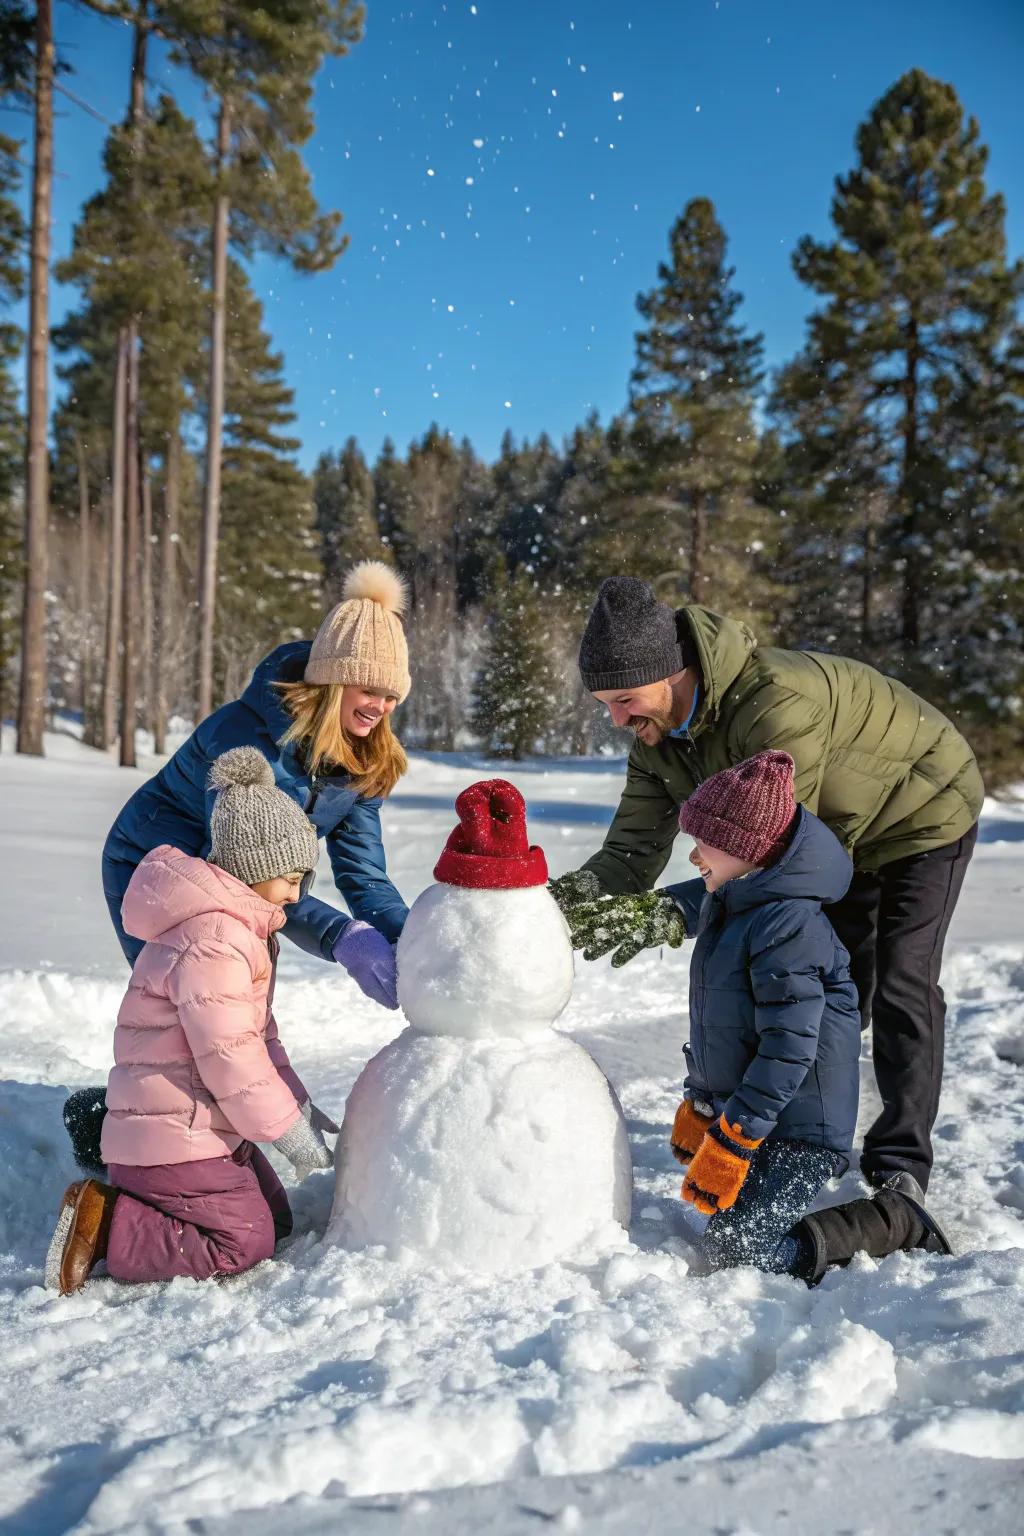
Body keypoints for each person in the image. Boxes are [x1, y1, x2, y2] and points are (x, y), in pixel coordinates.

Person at [552, 576, 983, 1195]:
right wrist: (551, 907)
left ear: (671, 674)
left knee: (897, 983)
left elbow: (775, 865)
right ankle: (799, 1135)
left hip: (922, 808)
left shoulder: (775, 704)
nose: (617, 719)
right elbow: (630, 852)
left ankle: (899, 1164)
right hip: (836, 831)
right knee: (834, 991)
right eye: (605, 704)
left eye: (624, 698)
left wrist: (673, 912)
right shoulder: (657, 740)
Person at [46, 748, 340, 1296]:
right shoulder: (215, 942)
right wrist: (286, 1133)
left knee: (275, 1223)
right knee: (243, 1243)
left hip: (202, 1132)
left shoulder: (236, 933)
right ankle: (108, 1223)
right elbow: (232, 1057)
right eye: (292, 878)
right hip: (173, 1140)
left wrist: (296, 1104)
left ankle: (149, 1206)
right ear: (255, 868)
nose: (299, 894)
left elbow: (262, 1039)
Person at [662, 751, 950, 1282]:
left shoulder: (788, 927)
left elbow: (789, 1047)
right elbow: (722, 1031)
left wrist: (734, 1137)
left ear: (749, 852)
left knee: (740, 1252)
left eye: (705, 844)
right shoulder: (733, 907)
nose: (695, 857)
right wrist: (702, 1104)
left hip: (802, 1128)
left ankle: (897, 1221)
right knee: (719, 1230)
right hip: (764, 1119)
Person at [102, 561, 412, 1007]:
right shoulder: (243, 737)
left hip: (256, 884)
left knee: (244, 1006)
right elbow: (243, 870)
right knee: (196, 1004)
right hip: (159, 864)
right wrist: (342, 936)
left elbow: (363, 873)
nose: (379, 706)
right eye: (368, 689)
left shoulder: (366, 757)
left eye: (391, 696)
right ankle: (145, 1079)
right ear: (332, 680)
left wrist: (409, 938)